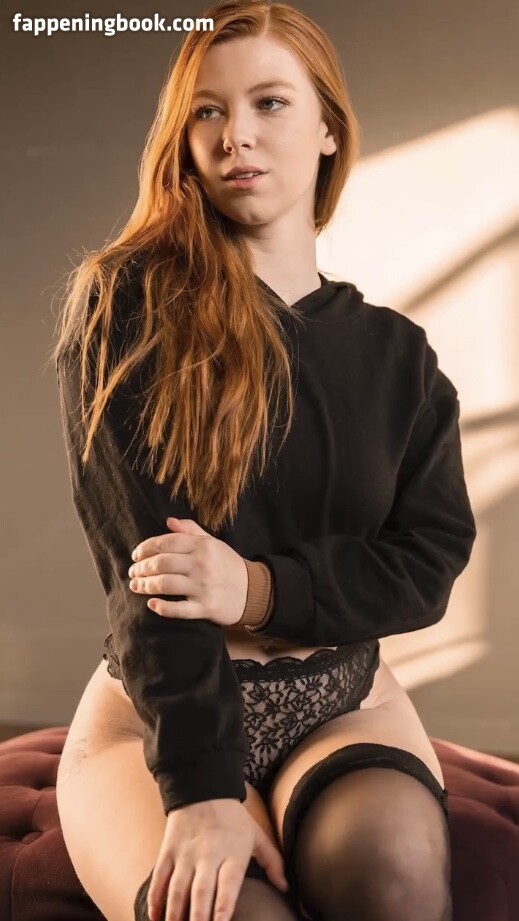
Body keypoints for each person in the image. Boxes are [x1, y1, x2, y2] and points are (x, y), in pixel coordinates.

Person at [52, 2, 476, 920]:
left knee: (392, 875)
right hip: (159, 714)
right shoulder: (125, 309)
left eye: (269, 103)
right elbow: (148, 580)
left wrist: (254, 587)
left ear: (328, 129)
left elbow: (427, 566)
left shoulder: (398, 357)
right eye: (206, 110)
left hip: (343, 700)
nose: (234, 133)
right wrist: (200, 789)